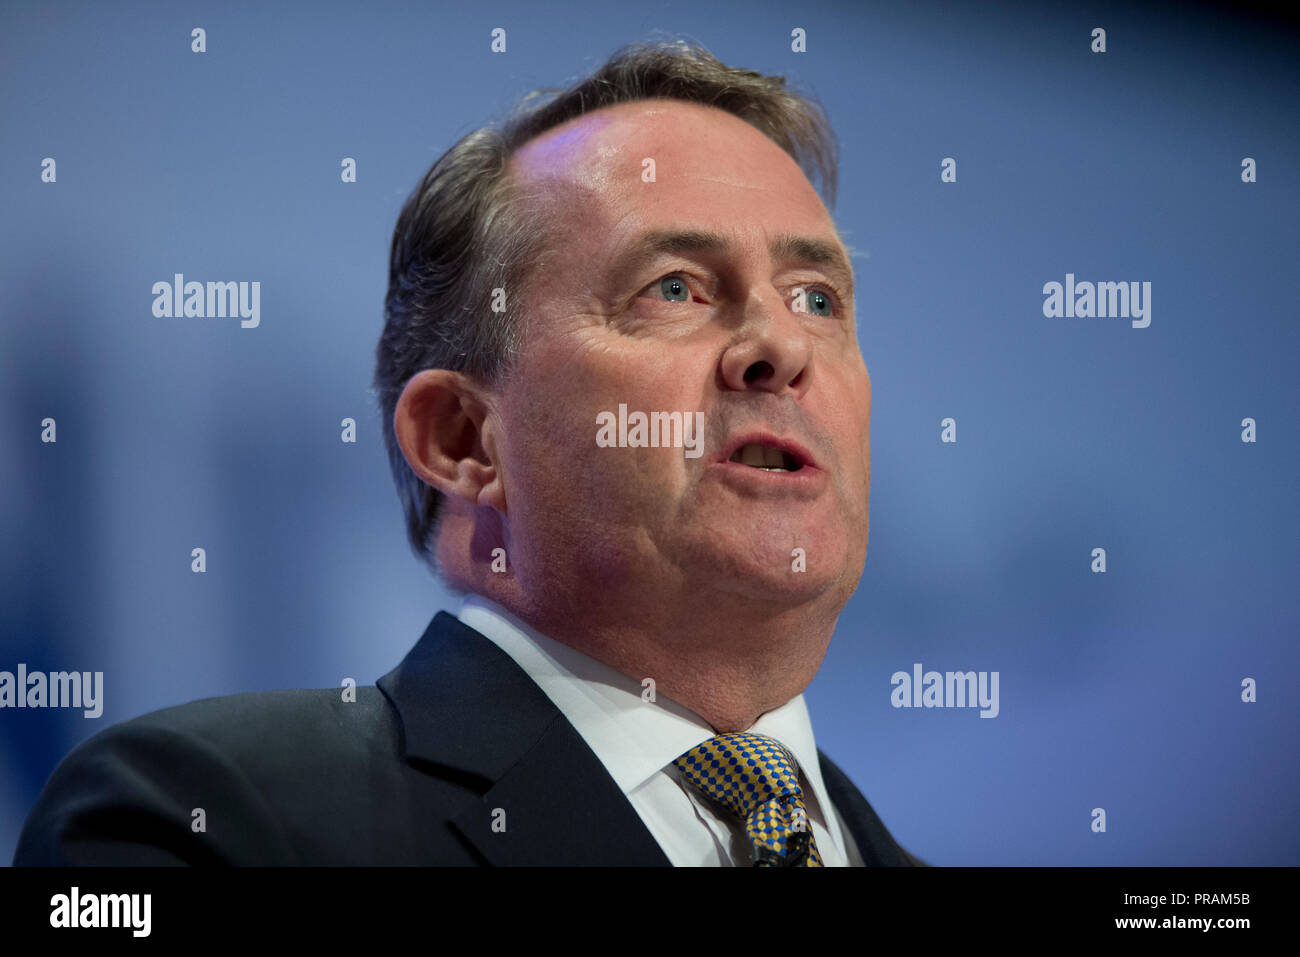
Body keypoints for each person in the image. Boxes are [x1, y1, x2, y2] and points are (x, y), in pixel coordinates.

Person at [15, 39, 922, 867]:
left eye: (817, 298)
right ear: (463, 439)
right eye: (675, 287)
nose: (782, 346)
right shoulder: (204, 816)